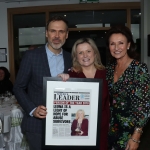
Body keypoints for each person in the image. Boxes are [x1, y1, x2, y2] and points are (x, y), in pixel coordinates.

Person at [13, 15, 72, 150]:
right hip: (37, 126)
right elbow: (18, 87)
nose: (56, 35)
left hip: (64, 125)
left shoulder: (71, 57)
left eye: (61, 31)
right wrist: (33, 110)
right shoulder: (31, 56)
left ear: (66, 35)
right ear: (46, 33)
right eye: (52, 31)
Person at [59, 38, 110, 150]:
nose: (85, 55)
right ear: (76, 57)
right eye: (80, 53)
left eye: (88, 51)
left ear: (95, 53)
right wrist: (60, 82)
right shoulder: (71, 76)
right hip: (80, 131)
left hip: (102, 128)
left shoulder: (106, 74)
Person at [106, 25, 150, 150]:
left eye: (121, 43)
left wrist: (136, 136)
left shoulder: (138, 68)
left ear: (128, 45)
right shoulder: (109, 69)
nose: (116, 48)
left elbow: (145, 106)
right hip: (111, 129)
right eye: (112, 44)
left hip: (129, 132)